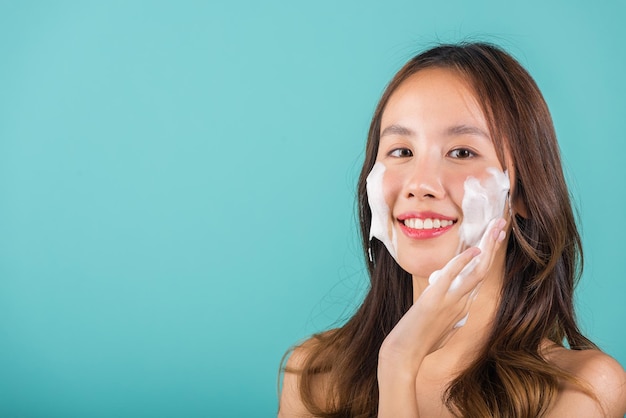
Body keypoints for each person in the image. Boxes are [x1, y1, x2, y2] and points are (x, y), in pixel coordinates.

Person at [278, 42, 626, 417]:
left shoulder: (581, 389)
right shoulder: (314, 374)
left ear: (522, 193)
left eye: (461, 152)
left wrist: (399, 365)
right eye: (401, 151)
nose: (420, 183)